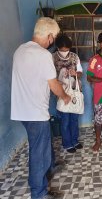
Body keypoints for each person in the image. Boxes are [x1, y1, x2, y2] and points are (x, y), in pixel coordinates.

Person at [11, 18, 71, 199]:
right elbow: (54, 86)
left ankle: (50, 167)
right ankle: (39, 193)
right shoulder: (43, 54)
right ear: (50, 36)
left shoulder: (20, 50)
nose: (52, 42)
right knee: (38, 153)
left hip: (22, 110)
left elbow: (35, 77)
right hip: (35, 112)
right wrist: (65, 96)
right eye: (53, 38)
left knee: (43, 143)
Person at [53, 34, 83, 153]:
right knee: (65, 120)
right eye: (62, 50)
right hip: (61, 92)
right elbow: (50, 76)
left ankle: (74, 141)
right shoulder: (53, 57)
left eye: (67, 50)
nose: (65, 52)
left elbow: (80, 73)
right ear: (58, 47)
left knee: (74, 118)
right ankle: (67, 143)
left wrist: (74, 73)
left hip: (75, 91)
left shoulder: (74, 57)